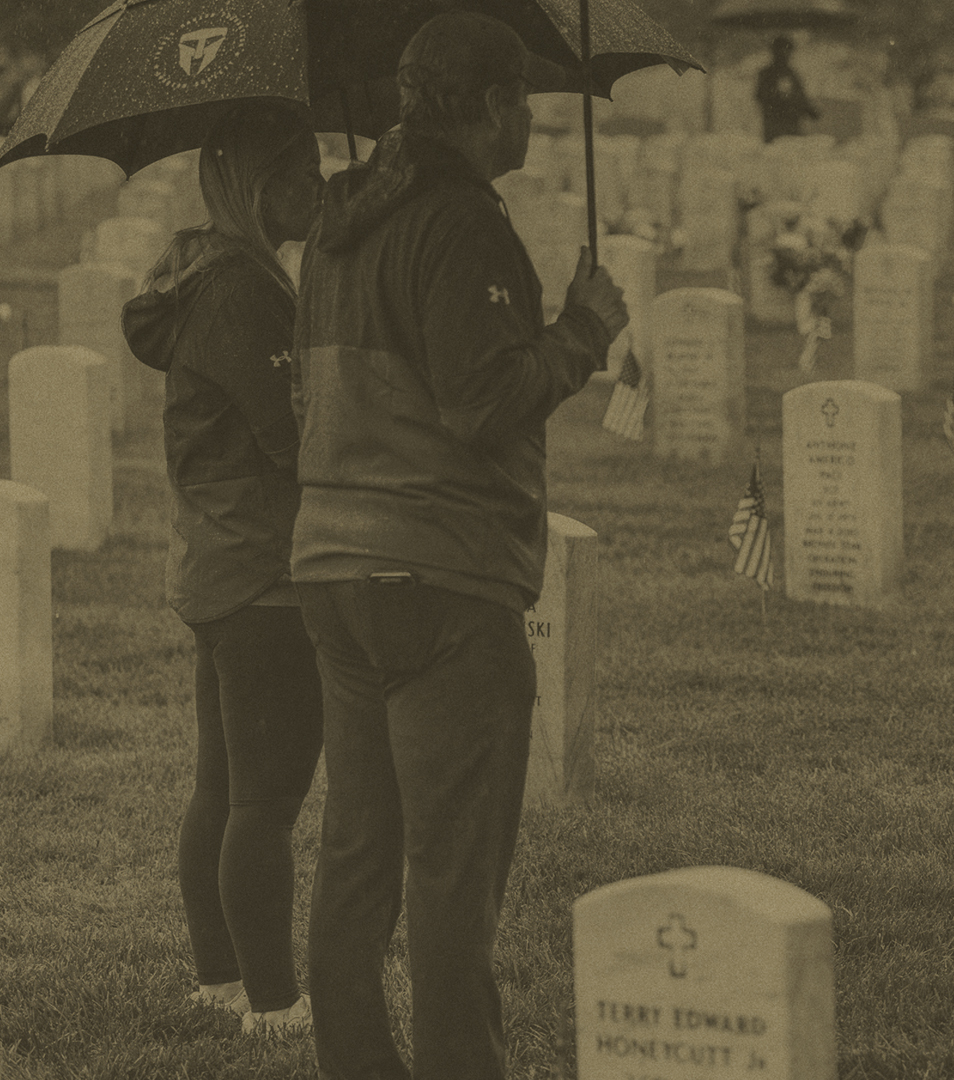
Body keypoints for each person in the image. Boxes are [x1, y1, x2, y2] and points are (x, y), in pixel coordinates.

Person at [289, 11, 628, 1079]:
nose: (530, 115)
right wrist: (580, 330)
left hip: (334, 570)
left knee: (358, 854)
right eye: (521, 98)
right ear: (486, 109)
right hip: (440, 575)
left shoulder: (340, 226)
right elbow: (484, 405)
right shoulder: (460, 225)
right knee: (451, 873)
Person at [119, 101, 327, 1036]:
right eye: (302, 173)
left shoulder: (206, 269)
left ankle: (220, 981)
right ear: (258, 184)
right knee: (264, 799)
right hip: (264, 572)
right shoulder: (243, 287)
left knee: (225, 786)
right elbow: (290, 438)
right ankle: (277, 1007)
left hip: (216, 559)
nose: (317, 190)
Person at [755, 35, 819, 143]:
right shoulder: (766, 74)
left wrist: (809, 110)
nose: (784, 54)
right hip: (775, 127)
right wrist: (780, 101)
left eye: (787, 50)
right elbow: (760, 96)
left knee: (792, 153)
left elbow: (800, 97)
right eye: (780, 50)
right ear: (774, 52)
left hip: (792, 125)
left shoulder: (792, 74)